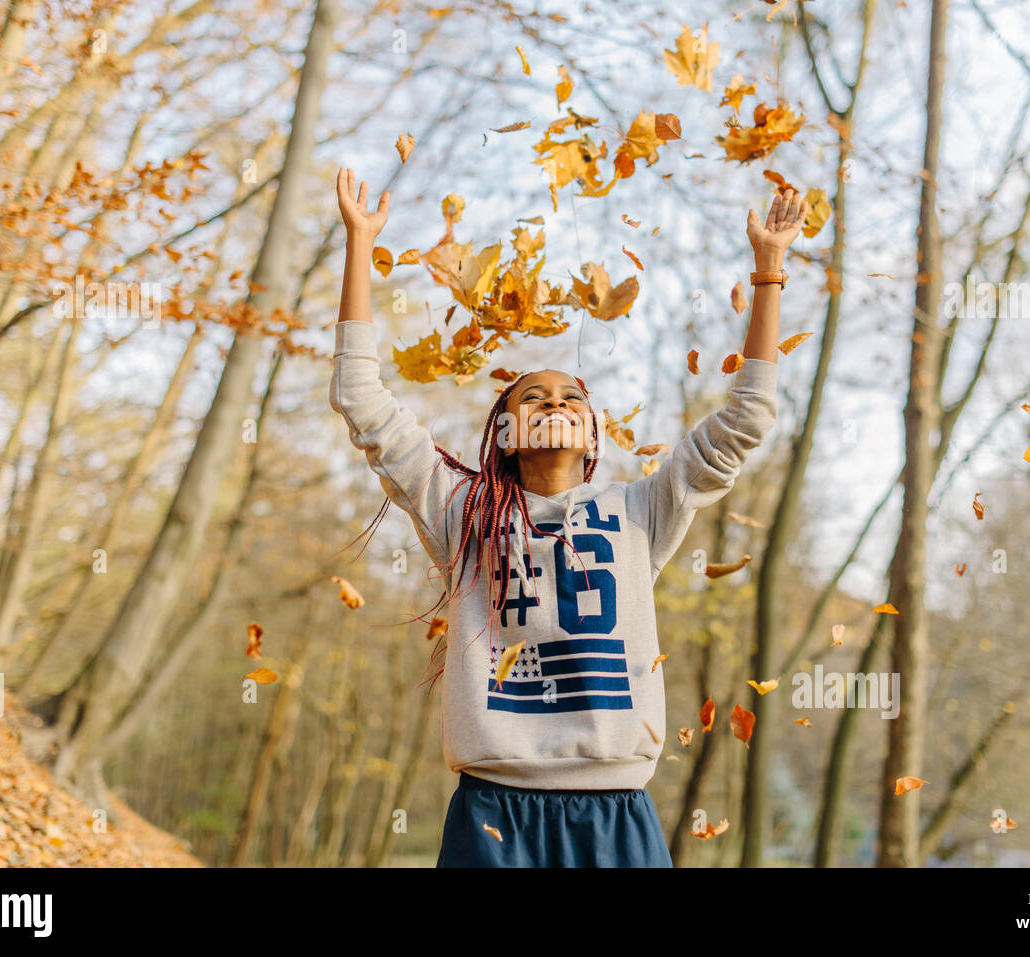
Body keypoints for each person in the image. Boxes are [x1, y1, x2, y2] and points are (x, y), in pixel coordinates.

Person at [329, 166, 806, 867]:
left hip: (615, 810)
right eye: (533, 397)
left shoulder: (640, 509)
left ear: (592, 438)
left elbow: (746, 418)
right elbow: (360, 397)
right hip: (494, 807)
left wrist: (769, 274)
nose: (554, 402)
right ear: (505, 436)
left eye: (571, 398)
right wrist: (358, 246)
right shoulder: (465, 513)